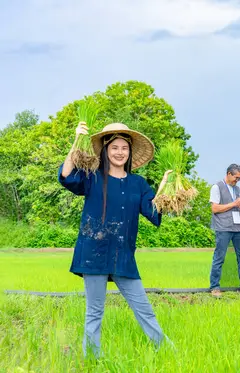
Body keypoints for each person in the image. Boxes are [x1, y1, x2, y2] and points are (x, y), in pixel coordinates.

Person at [58, 122, 172, 357]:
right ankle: (92, 359)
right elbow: (66, 176)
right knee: (94, 312)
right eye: (115, 148)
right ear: (106, 151)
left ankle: (167, 350)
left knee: (144, 308)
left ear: (129, 153)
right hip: (94, 252)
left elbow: (153, 211)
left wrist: (165, 186)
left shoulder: (138, 183)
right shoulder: (92, 177)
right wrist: (75, 141)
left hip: (123, 255)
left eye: (124, 148)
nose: (120, 152)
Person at [208, 164, 240, 297]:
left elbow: (238, 210)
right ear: (229, 174)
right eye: (236, 177)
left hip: (238, 227)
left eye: (239, 178)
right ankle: (215, 287)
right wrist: (234, 203)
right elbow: (215, 209)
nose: (237, 180)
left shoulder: (237, 189)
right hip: (223, 227)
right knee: (219, 257)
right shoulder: (217, 187)